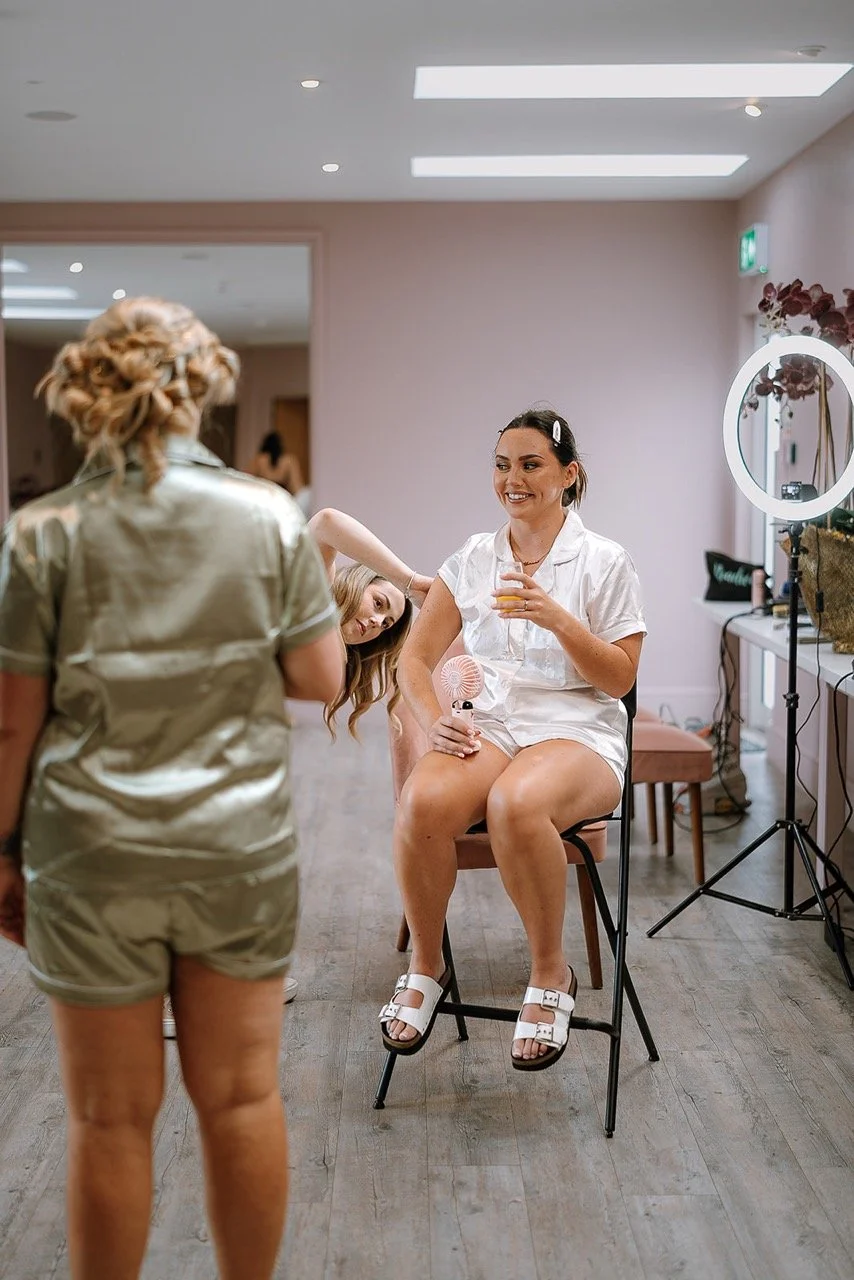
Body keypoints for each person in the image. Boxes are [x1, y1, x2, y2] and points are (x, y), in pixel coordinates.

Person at [0, 296, 344, 1280]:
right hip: (235, 850)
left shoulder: (41, 530)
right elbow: (319, 680)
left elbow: (12, 721)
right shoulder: (267, 514)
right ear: (198, 387)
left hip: (89, 853)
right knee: (240, 1097)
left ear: (88, 390)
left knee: (107, 1116)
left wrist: (1, 851)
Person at [379, 408, 645, 1072]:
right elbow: (414, 660)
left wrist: (560, 621)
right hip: (495, 724)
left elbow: (619, 679)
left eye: (530, 464)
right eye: (502, 465)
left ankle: (551, 974)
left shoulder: (605, 561)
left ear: (568, 475)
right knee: (423, 802)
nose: (512, 479)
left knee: (517, 805)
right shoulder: (472, 558)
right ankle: (427, 966)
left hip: (580, 730)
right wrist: (432, 714)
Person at [307, 507, 432, 737]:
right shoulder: (317, 592)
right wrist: (409, 582)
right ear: (356, 582)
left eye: (386, 624)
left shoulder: (329, 654)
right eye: (378, 603)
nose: (378, 622)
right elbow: (326, 522)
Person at [249, 430, 304, 495]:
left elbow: (247, 483)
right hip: (282, 499)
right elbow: (297, 489)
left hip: (263, 498)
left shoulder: (258, 460)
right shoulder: (289, 461)